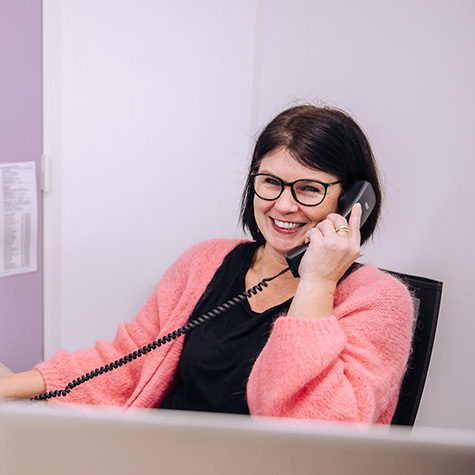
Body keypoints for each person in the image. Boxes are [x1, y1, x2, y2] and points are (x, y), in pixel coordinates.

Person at [0, 104, 414, 424]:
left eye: (309, 189)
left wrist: (318, 283)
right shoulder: (205, 261)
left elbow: (309, 431)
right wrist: (10, 388)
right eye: (270, 182)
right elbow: (128, 359)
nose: (283, 204)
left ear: (352, 201)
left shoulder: (381, 303)